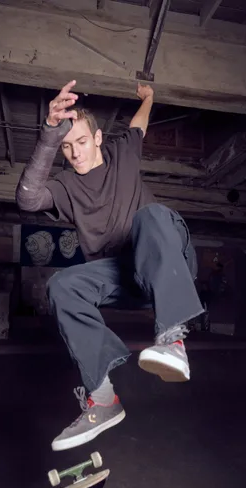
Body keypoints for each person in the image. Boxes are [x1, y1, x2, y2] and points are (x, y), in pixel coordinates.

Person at [16, 80, 204, 451]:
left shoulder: (124, 153)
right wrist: (50, 133)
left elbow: (139, 124)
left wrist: (149, 97)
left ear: (99, 138)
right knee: (62, 285)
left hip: (170, 261)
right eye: (68, 147)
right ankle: (102, 398)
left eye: (81, 142)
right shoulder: (65, 187)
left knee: (151, 216)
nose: (75, 153)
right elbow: (27, 198)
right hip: (124, 278)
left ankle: (173, 340)